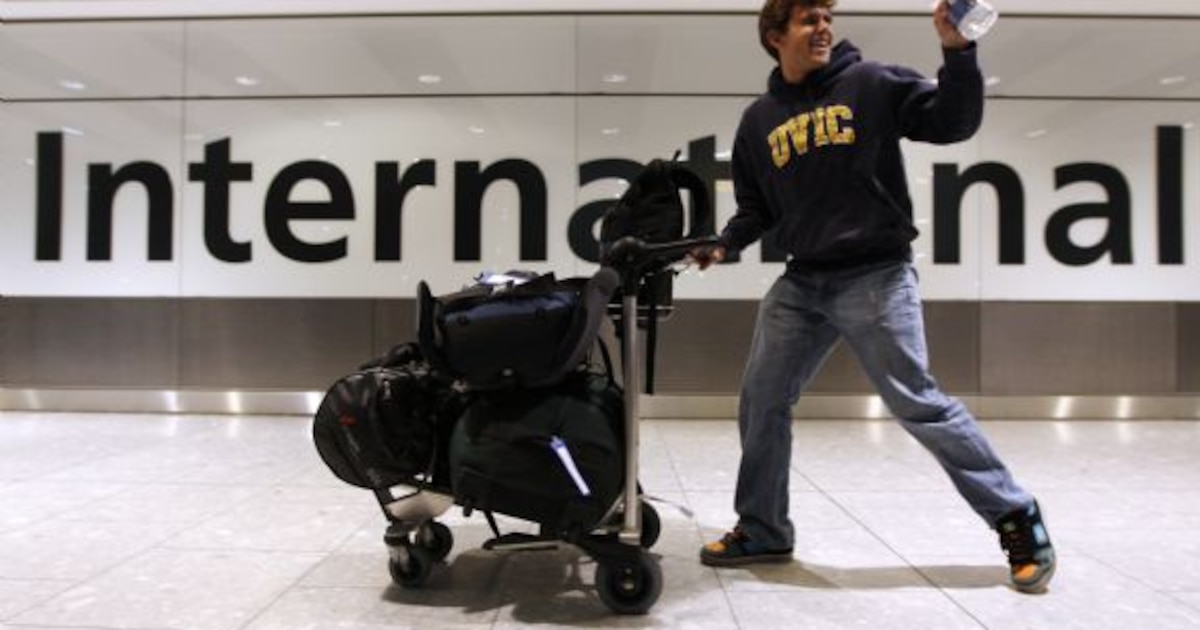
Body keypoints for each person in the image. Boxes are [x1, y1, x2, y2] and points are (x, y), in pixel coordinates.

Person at [690, 0, 1056, 593]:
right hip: (803, 280)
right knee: (761, 400)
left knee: (919, 403)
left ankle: (1018, 517)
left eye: (826, 18)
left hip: (876, 275)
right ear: (774, 36)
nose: (824, 28)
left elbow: (951, 122)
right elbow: (757, 208)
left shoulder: (869, 82)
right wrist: (725, 245)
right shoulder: (759, 120)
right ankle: (763, 528)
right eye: (808, 20)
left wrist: (958, 52)